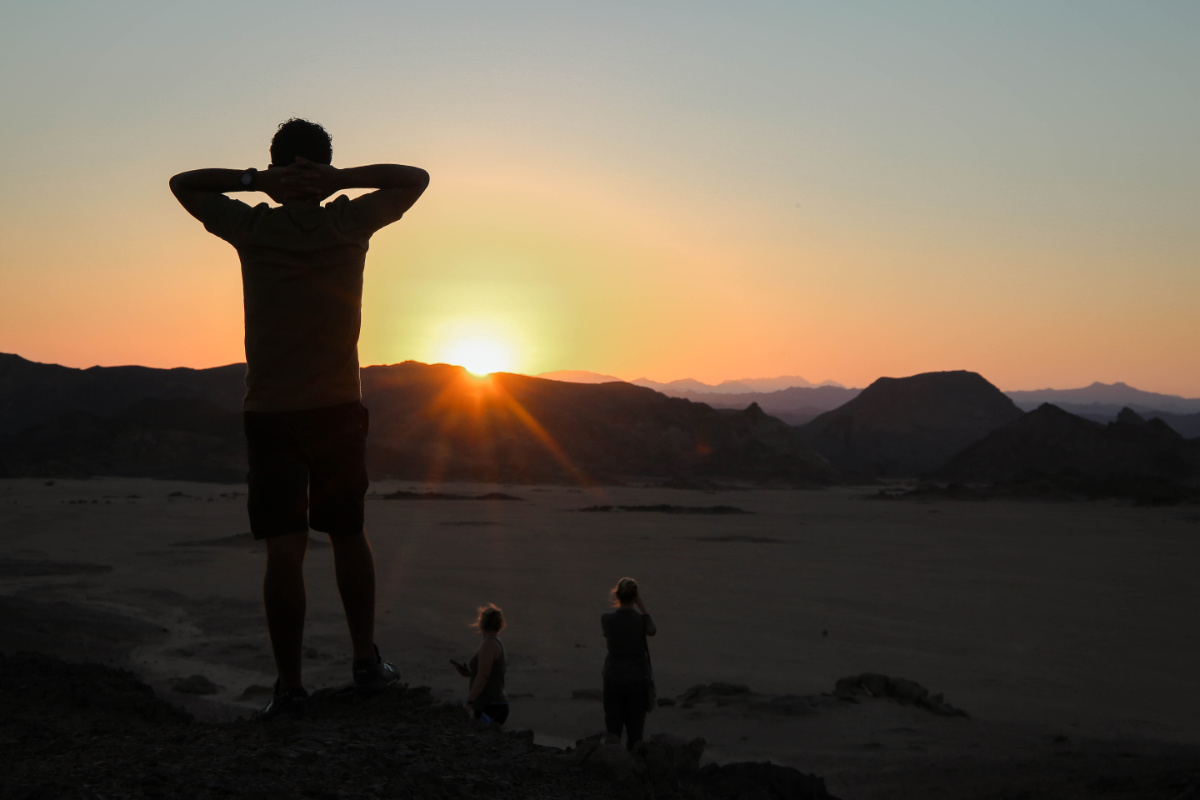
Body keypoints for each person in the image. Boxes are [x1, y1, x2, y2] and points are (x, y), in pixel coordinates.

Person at [169, 119, 429, 719]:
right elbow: (414, 178)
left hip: (271, 410)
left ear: (279, 165)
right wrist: (339, 181)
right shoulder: (346, 221)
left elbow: (184, 183)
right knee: (347, 534)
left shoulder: (253, 225)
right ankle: (365, 662)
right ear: (324, 163)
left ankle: (289, 687)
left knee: (284, 548)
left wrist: (257, 182)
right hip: (337, 407)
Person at [601, 577, 656, 749]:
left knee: (613, 730)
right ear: (635, 597)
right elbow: (652, 630)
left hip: (613, 677)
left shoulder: (607, 619)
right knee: (635, 732)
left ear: (617, 595)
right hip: (637, 679)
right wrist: (642, 608)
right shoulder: (641, 621)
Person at [451, 604, 509, 724]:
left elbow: (483, 676)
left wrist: (469, 702)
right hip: (495, 704)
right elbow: (489, 674)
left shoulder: (489, 645)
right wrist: (471, 674)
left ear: (481, 623)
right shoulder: (495, 643)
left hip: (490, 706)